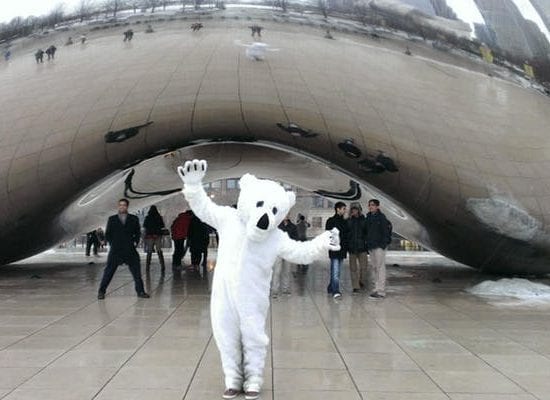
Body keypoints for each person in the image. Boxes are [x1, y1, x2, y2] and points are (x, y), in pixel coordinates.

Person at [177, 159, 339, 400]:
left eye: (274, 211)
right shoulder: (229, 219)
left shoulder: (276, 237)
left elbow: (300, 253)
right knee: (225, 335)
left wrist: (321, 243)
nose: (266, 216)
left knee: (254, 338)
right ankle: (232, 379)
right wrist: (193, 186)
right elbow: (204, 209)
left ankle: (253, 378)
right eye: (261, 205)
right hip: (224, 294)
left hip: (253, 297)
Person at [98, 198, 149, 300]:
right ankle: (101, 291)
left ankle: (141, 291)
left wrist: (135, 242)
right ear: (118, 206)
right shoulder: (112, 219)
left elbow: (137, 232)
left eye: (124, 205)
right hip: (116, 250)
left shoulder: (133, 219)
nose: (122, 207)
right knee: (109, 271)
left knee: (136, 272)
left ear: (127, 206)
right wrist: (113, 244)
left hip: (130, 249)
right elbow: (108, 234)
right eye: (120, 205)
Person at [365, 199, 392, 299]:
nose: (370, 207)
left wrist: (383, 244)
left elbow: (386, 232)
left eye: (372, 205)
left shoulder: (382, 218)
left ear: (377, 206)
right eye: (369, 205)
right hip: (371, 246)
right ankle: (376, 288)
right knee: (375, 267)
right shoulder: (368, 217)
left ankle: (381, 291)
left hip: (379, 246)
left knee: (380, 267)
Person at [325, 201, 348, 299]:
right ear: (338, 209)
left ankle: (331, 287)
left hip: (342, 250)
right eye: (343, 209)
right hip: (334, 250)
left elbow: (346, 235)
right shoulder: (330, 221)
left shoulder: (344, 221)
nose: (345, 211)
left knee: (337, 271)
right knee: (335, 271)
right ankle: (336, 291)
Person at [271, 215, 298, 297]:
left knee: (287, 271)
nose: (286, 216)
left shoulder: (293, 227)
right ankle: (275, 291)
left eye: (288, 214)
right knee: (277, 271)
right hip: (278, 252)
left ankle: (285, 290)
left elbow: (296, 239)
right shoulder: (277, 226)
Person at [347, 202, 368, 294]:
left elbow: (367, 232)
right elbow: (346, 232)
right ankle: (355, 286)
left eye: (356, 209)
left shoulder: (364, 220)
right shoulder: (348, 220)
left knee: (364, 267)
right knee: (353, 268)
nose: (354, 211)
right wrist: (350, 219)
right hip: (352, 247)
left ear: (359, 210)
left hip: (362, 247)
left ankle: (361, 281)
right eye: (353, 210)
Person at [143, 205, 166, 273]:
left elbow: (145, 226)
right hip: (157, 235)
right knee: (159, 250)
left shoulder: (147, 217)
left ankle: (147, 266)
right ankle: (162, 265)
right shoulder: (159, 217)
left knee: (149, 251)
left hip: (150, 236)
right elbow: (162, 225)